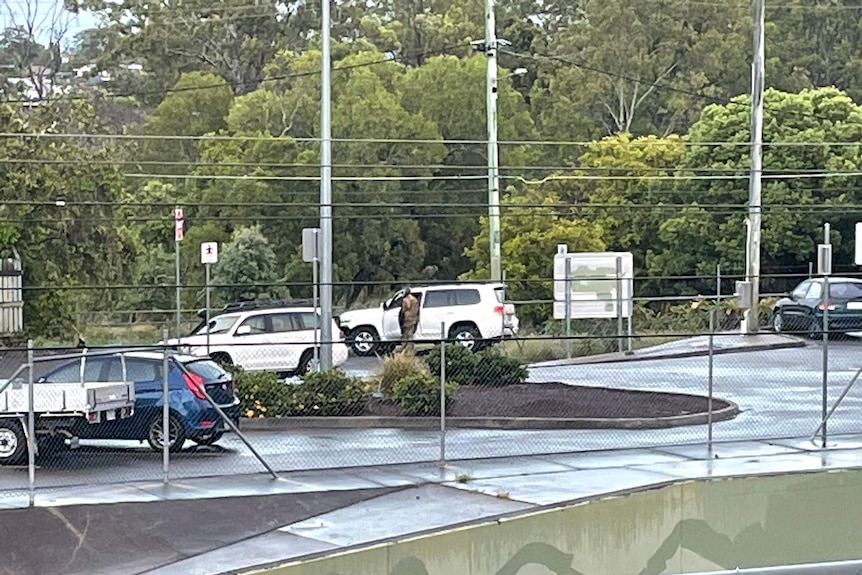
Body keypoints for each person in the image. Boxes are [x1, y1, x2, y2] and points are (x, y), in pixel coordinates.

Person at [399, 287, 420, 353]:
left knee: (406, 334)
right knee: (411, 334)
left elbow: (403, 309)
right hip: (414, 318)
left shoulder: (406, 300)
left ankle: (404, 348)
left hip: (407, 319)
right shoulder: (415, 300)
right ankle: (410, 348)